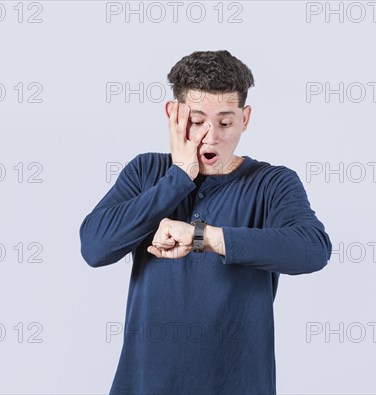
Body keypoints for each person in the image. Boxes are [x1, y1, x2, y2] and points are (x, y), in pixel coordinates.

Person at [79, 50, 332, 395]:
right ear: (174, 115)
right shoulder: (146, 172)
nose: (210, 137)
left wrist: (203, 237)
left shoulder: (272, 183)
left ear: (245, 119)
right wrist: (179, 176)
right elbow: (95, 246)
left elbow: (312, 249)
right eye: (197, 121)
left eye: (225, 123)